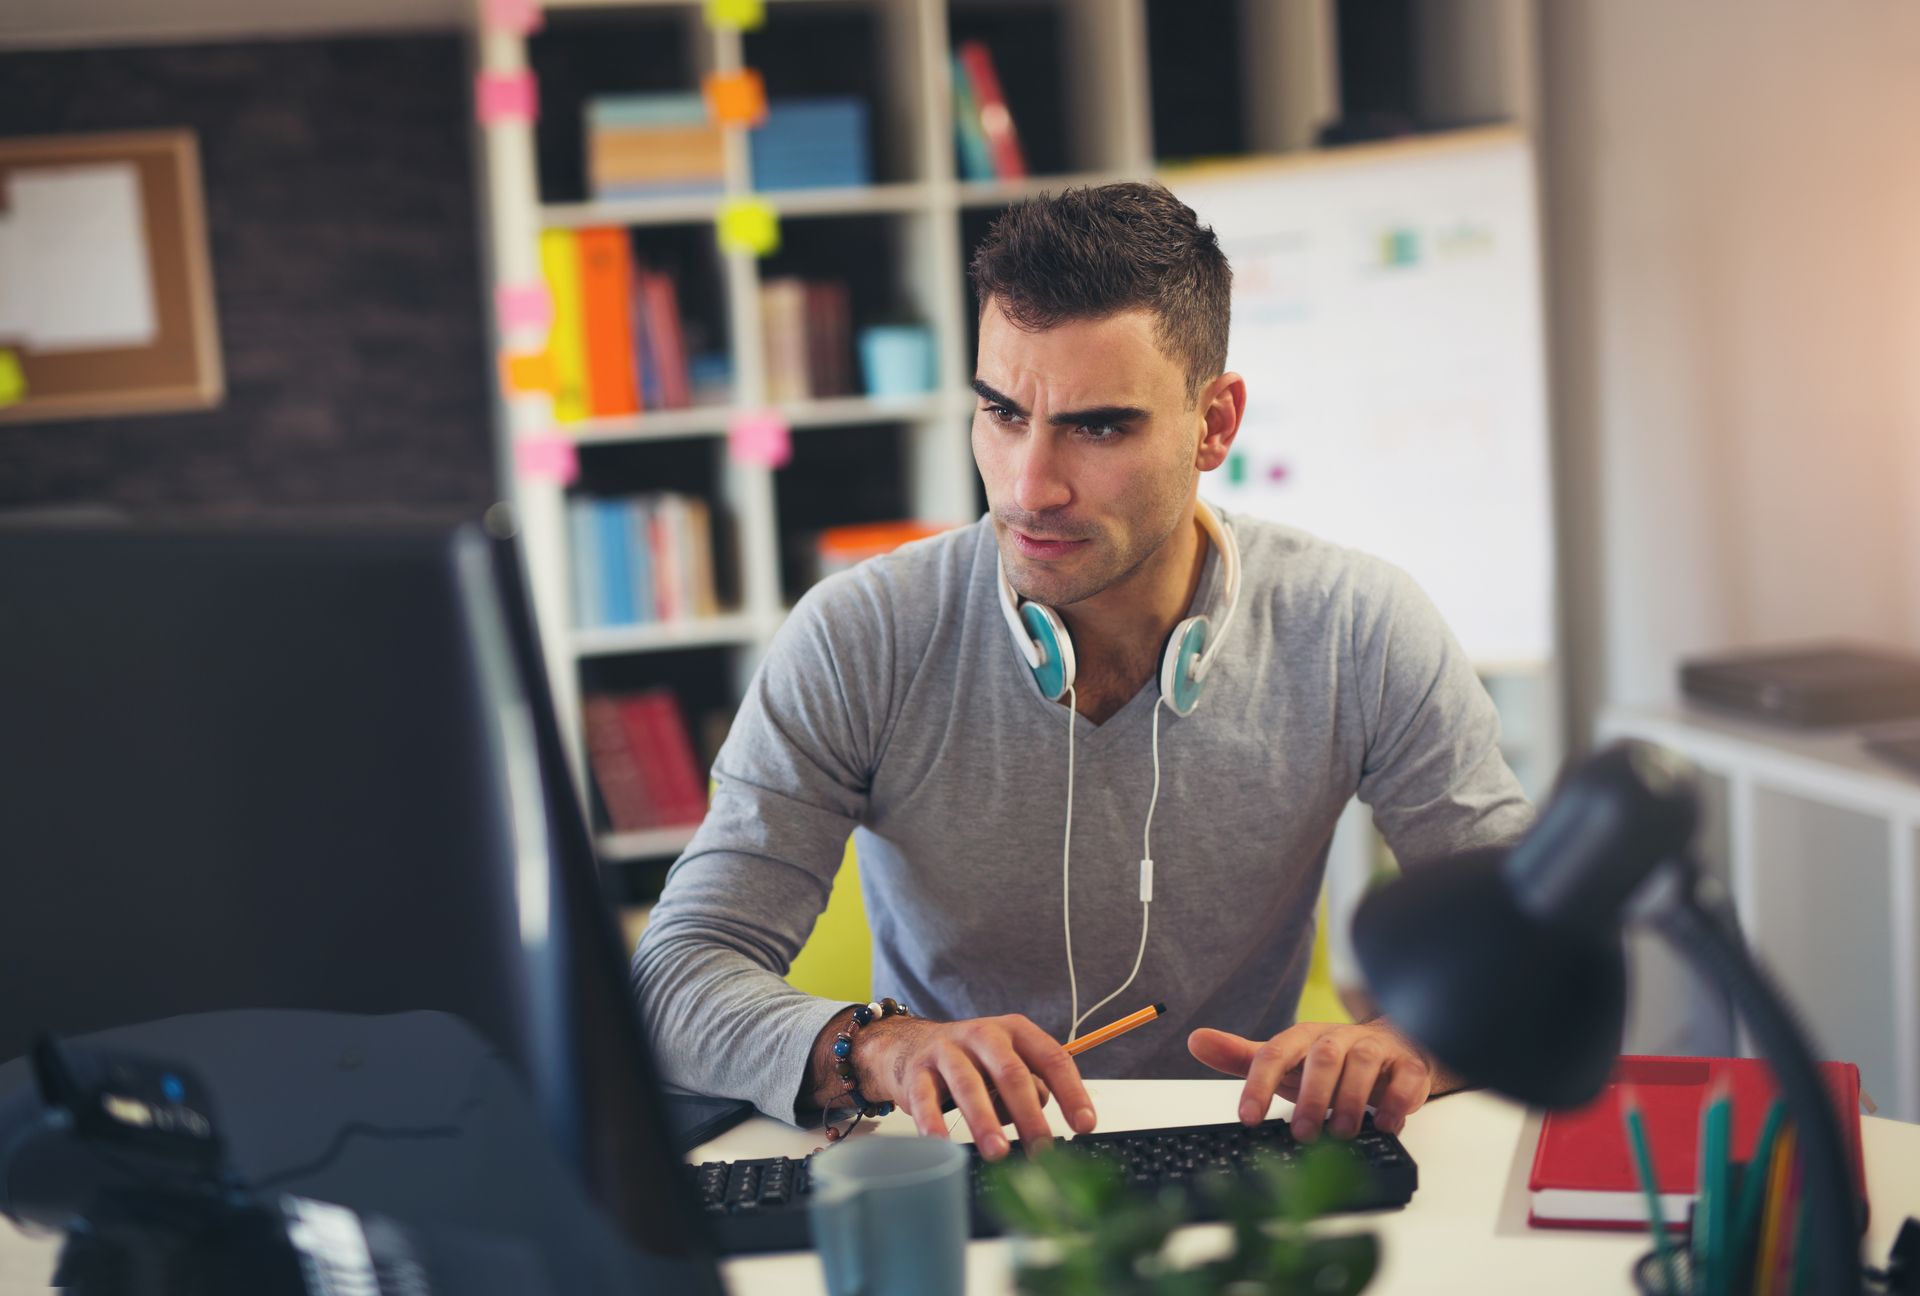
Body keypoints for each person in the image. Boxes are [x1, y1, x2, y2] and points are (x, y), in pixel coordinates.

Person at [631, 181, 1532, 1161]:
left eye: (1098, 427)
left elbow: (1538, 946)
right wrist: (881, 1049)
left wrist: (1411, 1045)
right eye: (1001, 412)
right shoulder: (860, 635)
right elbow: (674, 978)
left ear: (1215, 424)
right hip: (961, 1160)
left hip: (1248, 1159)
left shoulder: (1358, 626)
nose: (1030, 487)